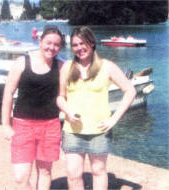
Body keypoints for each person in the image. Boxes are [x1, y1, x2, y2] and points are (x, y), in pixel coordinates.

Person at [57, 26, 136, 190]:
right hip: (72, 131)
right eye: (75, 45)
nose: (79, 48)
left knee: (98, 171)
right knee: (73, 174)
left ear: (92, 43)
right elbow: (60, 97)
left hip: (99, 131)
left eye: (83, 43)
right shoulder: (67, 67)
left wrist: (114, 119)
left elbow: (130, 91)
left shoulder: (107, 66)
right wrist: (67, 111)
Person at [2, 26, 64, 190]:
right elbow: (8, 93)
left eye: (57, 45)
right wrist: (6, 125)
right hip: (23, 126)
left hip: (50, 126)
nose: (52, 47)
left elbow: (65, 95)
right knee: (20, 177)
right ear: (40, 41)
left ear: (60, 47)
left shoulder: (61, 67)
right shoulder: (22, 62)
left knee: (44, 172)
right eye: (48, 42)